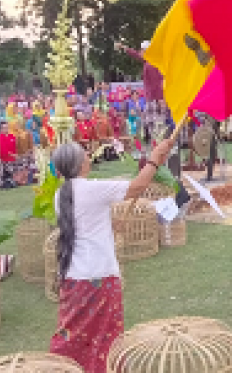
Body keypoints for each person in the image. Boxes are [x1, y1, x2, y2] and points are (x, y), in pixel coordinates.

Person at [49, 138, 174, 372]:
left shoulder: (61, 194)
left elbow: (82, 225)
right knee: (106, 337)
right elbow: (138, 186)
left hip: (73, 278)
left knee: (73, 336)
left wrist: (108, 225)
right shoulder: (92, 189)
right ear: (80, 164)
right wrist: (154, 159)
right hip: (99, 276)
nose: (89, 157)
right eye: (85, 155)